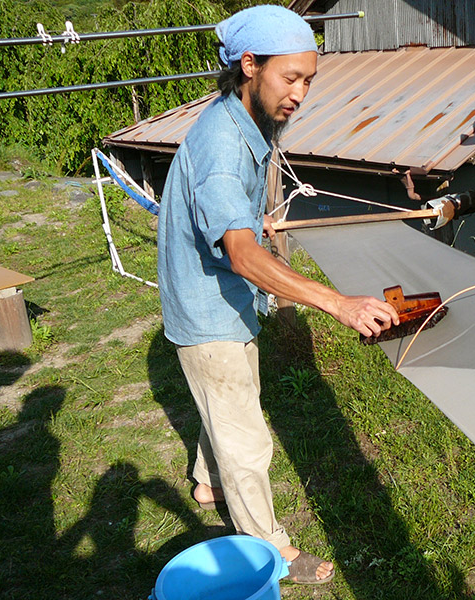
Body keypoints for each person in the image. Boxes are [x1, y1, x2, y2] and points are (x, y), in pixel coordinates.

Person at [156, 5, 399, 585]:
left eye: (309, 79)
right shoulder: (220, 146)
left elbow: (231, 223)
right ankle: (272, 551)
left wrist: (249, 216)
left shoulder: (247, 118)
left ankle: (207, 483)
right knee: (247, 437)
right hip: (207, 301)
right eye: (290, 78)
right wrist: (339, 304)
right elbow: (240, 255)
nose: (300, 93)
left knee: (228, 399)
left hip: (218, 292)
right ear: (249, 65)